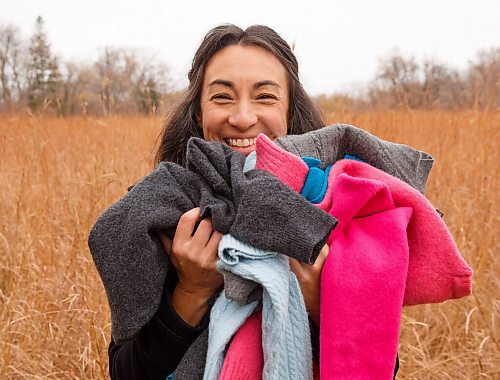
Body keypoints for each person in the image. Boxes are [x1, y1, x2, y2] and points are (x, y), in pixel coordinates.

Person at [107, 24, 399, 379]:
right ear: (199, 114)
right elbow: (124, 372)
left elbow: (382, 367)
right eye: (222, 97)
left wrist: (320, 303)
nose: (243, 118)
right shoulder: (162, 210)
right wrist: (190, 291)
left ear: (290, 112)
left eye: (265, 97)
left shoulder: (333, 210)